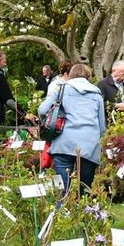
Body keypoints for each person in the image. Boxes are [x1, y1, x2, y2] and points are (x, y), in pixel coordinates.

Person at [37, 62, 106, 194]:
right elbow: (102, 127)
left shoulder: (61, 89)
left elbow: (42, 110)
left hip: (63, 143)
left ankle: (61, 212)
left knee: (62, 190)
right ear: (88, 76)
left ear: (71, 75)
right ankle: (84, 212)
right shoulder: (97, 95)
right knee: (85, 190)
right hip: (89, 146)